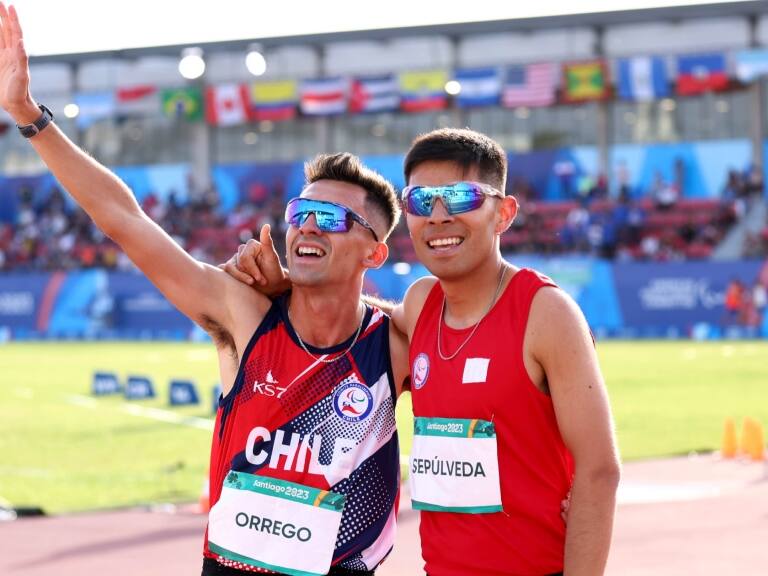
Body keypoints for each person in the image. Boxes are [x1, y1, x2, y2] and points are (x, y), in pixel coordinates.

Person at [0, 6, 409, 576]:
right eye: (302, 210)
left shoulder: (395, 342)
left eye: (334, 218)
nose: (310, 225)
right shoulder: (242, 311)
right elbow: (126, 219)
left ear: (375, 252)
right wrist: (29, 117)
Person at [225, 128, 621, 575]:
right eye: (420, 201)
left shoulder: (546, 314)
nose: (437, 217)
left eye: (459, 198)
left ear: (504, 213)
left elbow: (599, 471)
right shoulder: (419, 306)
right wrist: (293, 285)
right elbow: (346, 313)